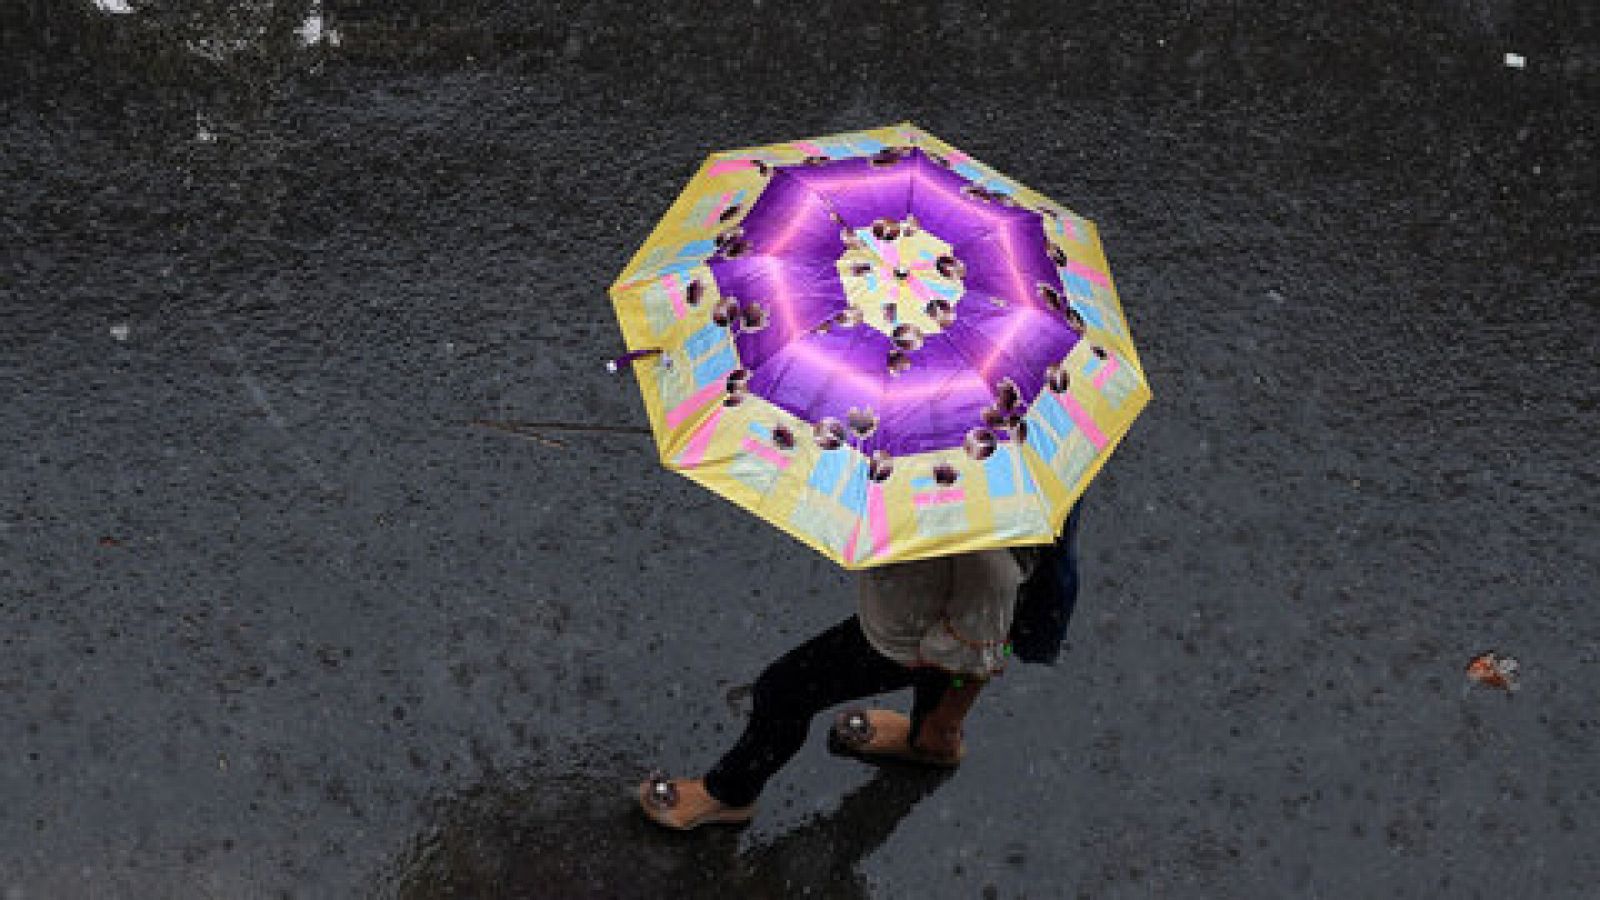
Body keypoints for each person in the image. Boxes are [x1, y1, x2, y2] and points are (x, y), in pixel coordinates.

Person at [637, 548, 1031, 831]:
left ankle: (728, 794)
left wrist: (948, 717)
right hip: (920, 619)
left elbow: (977, 658)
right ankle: (931, 738)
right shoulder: (928, 490)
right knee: (941, 665)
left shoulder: (988, 567)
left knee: (783, 692)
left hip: (907, 643)